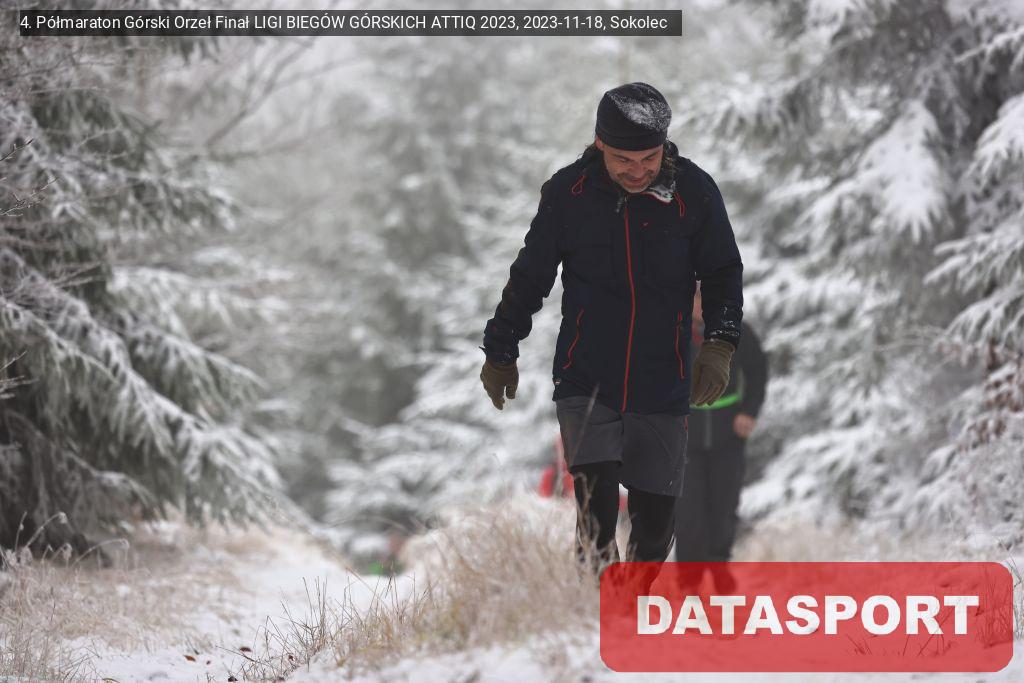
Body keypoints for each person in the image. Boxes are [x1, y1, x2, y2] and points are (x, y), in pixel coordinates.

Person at [479, 82, 744, 577]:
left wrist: (720, 345)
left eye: (649, 158)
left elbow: (723, 273)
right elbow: (531, 275)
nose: (638, 171)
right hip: (586, 379)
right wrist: (501, 348)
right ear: (600, 142)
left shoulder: (694, 192)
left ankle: (632, 606)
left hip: (663, 382)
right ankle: (596, 613)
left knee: (655, 530)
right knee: (596, 525)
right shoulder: (569, 194)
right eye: (624, 159)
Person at [673, 285, 767, 592]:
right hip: (684, 439)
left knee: (723, 507)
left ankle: (718, 564)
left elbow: (758, 371)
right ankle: (689, 580)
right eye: (697, 295)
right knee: (688, 512)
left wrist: (749, 412)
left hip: (729, 438)